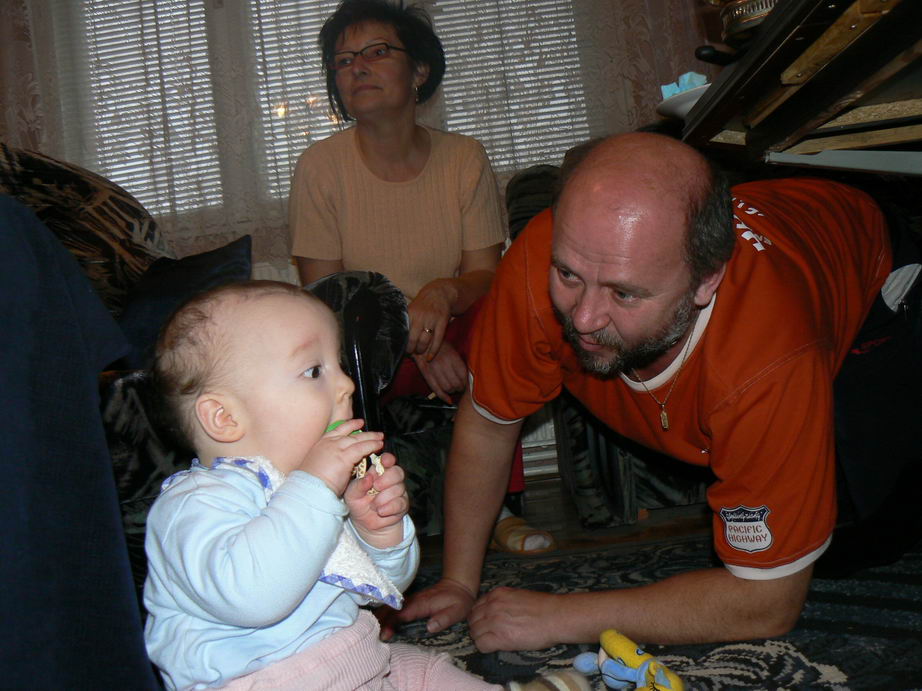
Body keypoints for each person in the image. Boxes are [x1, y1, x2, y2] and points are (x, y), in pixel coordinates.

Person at [395, 132, 922, 651]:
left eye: (624, 293)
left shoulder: (768, 357)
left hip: (871, 260)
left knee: (857, 541)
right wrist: (458, 582)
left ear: (705, 282)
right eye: (569, 276)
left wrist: (564, 616)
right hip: (760, 235)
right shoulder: (540, 260)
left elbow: (769, 604)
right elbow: (488, 425)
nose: (583, 318)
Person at [143, 280, 588, 691]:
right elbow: (253, 597)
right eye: (313, 371)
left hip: (357, 665)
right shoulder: (192, 506)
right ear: (224, 418)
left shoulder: (313, 490)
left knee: (422, 671)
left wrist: (379, 534)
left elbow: (377, 588)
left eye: (337, 365)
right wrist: (315, 487)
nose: (345, 384)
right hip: (268, 683)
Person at [288, 0, 552, 553]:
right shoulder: (319, 166)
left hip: (451, 325)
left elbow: (484, 274)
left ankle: (498, 508)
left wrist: (442, 293)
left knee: (505, 320)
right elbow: (325, 294)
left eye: (377, 52)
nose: (357, 68)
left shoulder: (464, 158)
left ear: (420, 70)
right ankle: (364, 516)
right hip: (362, 345)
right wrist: (411, 332)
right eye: (343, 61)